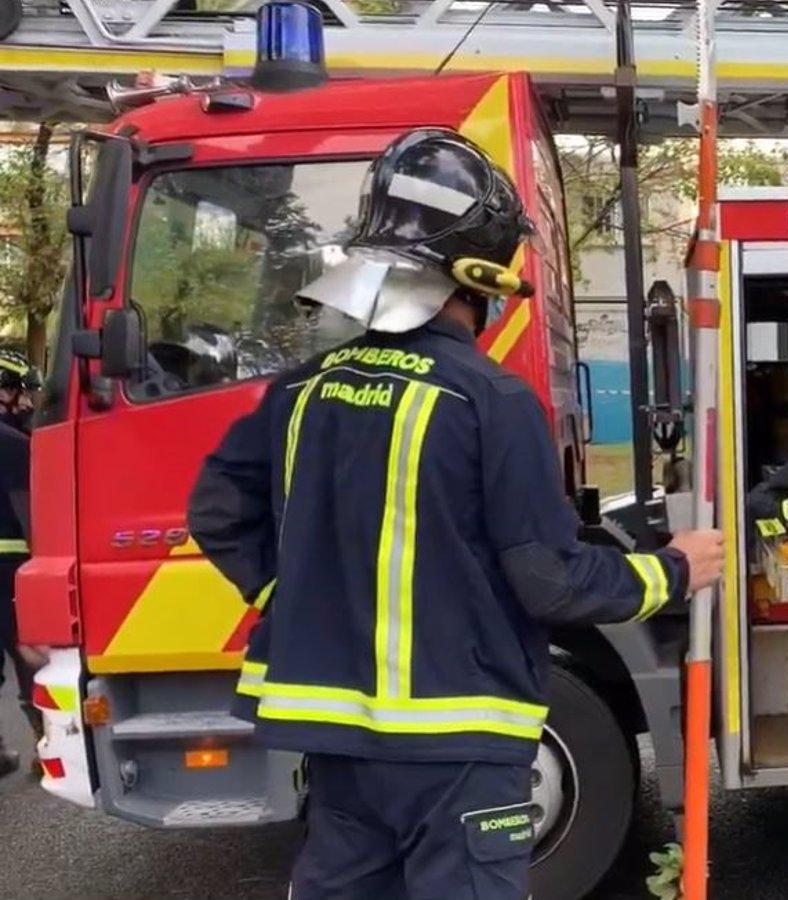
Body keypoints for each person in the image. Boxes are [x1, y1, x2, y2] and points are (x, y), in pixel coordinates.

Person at [187, 128, 724, 900]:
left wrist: (292, 596)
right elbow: (552, 582)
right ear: (478, 278)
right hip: (461, 748)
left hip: (340, 743)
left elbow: (216, 509)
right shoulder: (492, 401)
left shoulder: (303, 390)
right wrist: (675, 570)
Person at [0, 348, 40, 780]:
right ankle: (46, 747)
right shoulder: (13, 444)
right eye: (22, 393)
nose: (27, 404)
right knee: (30, 656)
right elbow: (32, 517)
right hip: (11, 572)